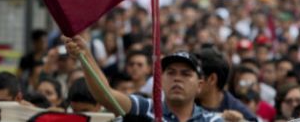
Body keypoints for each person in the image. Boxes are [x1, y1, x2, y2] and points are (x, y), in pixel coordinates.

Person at [63, 34, 224, 122]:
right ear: (161, 80)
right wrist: (85, 55)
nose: (177, 78)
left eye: (186, 74)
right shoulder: (145, 108)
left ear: (199, 85)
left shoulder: (212, 120)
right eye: (171, 72)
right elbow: (106, 96)